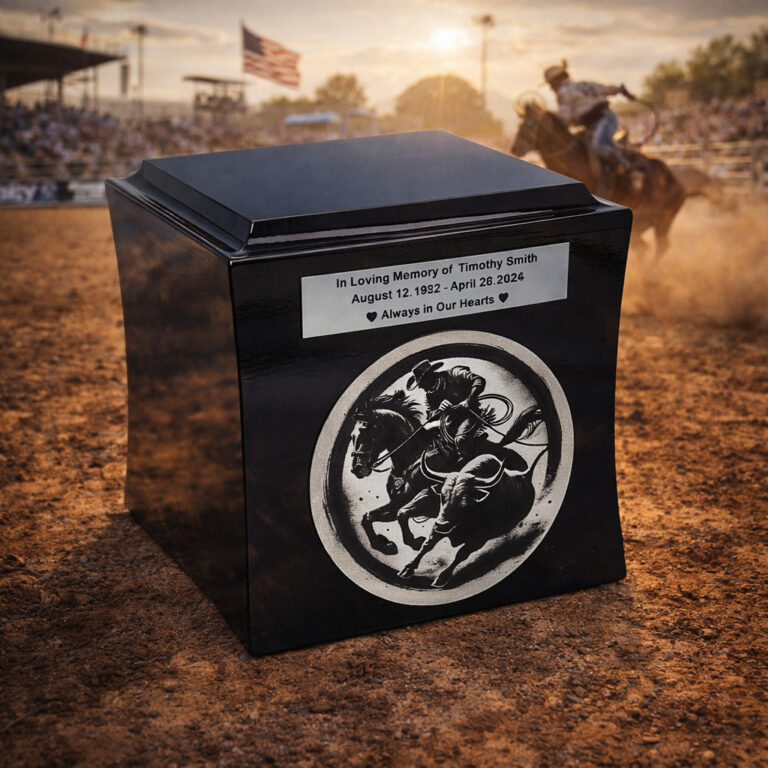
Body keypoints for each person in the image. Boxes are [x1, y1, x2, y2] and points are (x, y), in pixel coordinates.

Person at [407, 359, 526, 470]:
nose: (421, 387)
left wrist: (469, 399)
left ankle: (480, 466)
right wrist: (438, 409)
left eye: (422, 382)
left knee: (461, 440)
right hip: (448, 424)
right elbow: (430, 414)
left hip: (470, 415)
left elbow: (478, 380)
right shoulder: (429, 395)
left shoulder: (454, 373)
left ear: (430, 375)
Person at [543, 60, 636, 175]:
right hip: (601, 120)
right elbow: (609, 89)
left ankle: (628, 169)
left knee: (598, 145)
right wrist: (621, 90)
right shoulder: (583, 85)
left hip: (603, 120)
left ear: (557, 79)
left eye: (551, 83)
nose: (551, 87)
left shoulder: (563, 92)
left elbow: (564, 119)